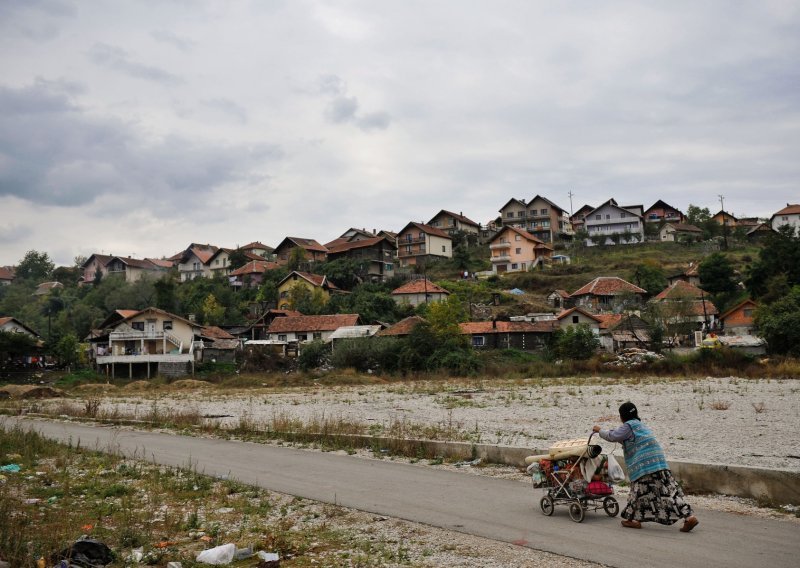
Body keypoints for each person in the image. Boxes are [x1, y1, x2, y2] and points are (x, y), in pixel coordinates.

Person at [593, 402, 699, 532]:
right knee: (666, 490)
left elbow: (613, 436)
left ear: (622, 417)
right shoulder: (640, 425)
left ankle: (635, 519)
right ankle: (687, 516)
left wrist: (599, 430)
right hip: (658, 462)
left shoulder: (628, 426)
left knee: (639, 491)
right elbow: (622, 436)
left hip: (644, 465)